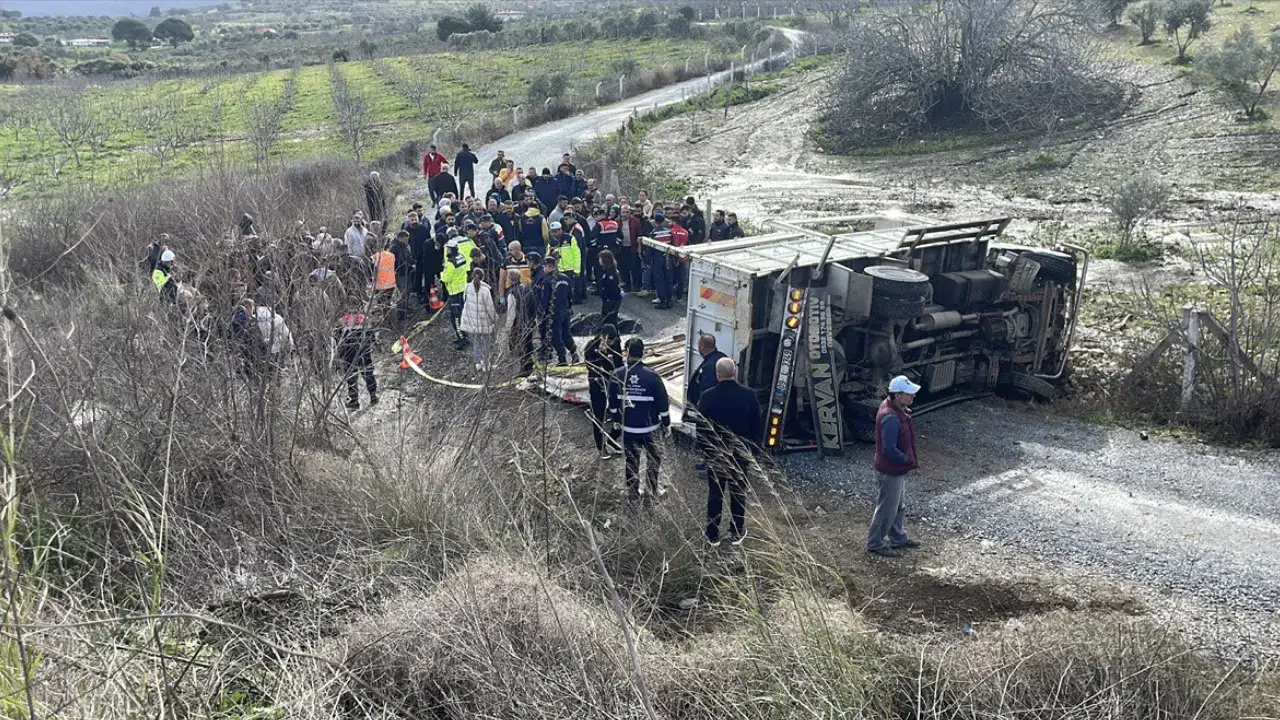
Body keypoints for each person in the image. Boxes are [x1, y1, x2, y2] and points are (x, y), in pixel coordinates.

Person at [696, 357, 762, 547]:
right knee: (738, 493)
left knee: (715, 494)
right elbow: (756, 425)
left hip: (717, 453)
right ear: (735, 372)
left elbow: (701, 429)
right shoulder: (749, 395)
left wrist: (707, 452)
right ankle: (736, 531)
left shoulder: (707, 397)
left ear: (718, 374)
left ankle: (712, 534)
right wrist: (751, 451)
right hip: (739, 453)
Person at [609, 337, 669, 507]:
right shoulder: (653, 377)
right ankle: (651, 491)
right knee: (653, 460)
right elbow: (663, 403)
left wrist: (615, 420)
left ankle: (633, 495)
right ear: (642, 353)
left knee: (631, 461)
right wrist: (666, 423)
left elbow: (612, 403)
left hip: (629, 429)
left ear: (627, 352)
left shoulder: (618, 375)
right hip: (651, 429)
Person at [868, 375, 923, 558]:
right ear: (898, 395)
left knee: (898, 506)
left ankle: (898, 538)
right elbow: (889, 449)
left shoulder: (893, 409)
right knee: (887, 509)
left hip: (894, 469)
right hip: (890, 470)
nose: (912, 397)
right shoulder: (890, 417)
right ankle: (875, 543)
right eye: (909, 394)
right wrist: (906, 459)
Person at [584, 324, 622, 459]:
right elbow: (591, 367)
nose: (612, 343)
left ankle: (612, 439)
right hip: (597, 384)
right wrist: (603, 355)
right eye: (610, 341)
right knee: (599, 414)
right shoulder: (591, 347)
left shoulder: (616, 344)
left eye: (613, 341)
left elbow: (619, 363)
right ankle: (600, 447)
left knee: (619, 412)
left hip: (613, 383)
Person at [536, 255, 578, 366]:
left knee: (555, 335)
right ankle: (574, 353)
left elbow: (545, 300)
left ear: (547, 266)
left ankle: (562, 358)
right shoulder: (565, 278)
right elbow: (570, 295)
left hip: (553, 312)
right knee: (566, 333)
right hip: (565, 310)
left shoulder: (547, 280)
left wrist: (542, 315)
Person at [335, 310, 378, 409]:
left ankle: (354, 401)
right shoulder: (366, 319)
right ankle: (373, 396)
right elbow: (372, 336)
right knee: (368, 373)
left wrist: (340, 351)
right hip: (364, 350)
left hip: (349, 351)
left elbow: (337, 336)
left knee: (351, 376)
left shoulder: (342, 320)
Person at [460, 268, 498, 372]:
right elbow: (489, 307)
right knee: (486, 341)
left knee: (476, 341)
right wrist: (495, 318)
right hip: (483, 320)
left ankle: (477, 362)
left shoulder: (467, 287)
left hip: (472, 320)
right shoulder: (485, 290)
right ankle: (486, 363)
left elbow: (465, 300)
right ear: (483, 277)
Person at [505, 268, 537, 376]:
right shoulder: (528, 288)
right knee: (529, 345)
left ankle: (525, 370)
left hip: (519, 325)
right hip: (530, 322)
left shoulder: (511, 293)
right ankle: (530, 366)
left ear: (509, 280)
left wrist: (508, 328)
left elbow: (511, 314)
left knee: (521, 348)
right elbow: (534, 306)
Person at [441, 238, 471, 349]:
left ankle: (462, 339)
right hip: (462, 289)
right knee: (461, 315)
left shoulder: (450, 263)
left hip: (454, 292)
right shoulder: (461, 257)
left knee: (455, 318)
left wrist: (441, 275)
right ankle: (463, 335)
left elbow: (446, 278)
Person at [686, 333, 727, 411]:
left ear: (701, 347)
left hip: (708, 414)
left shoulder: (709, 367)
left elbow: (707, 392)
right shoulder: (722, 357)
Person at [597, 249, 622, 329]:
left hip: (611, 300)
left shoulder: (610, 273)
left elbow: (612, 287)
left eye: (600, 259)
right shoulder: (606, 271)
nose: (599, 260)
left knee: (610, 320)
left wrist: (607, 298)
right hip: (608, 299)